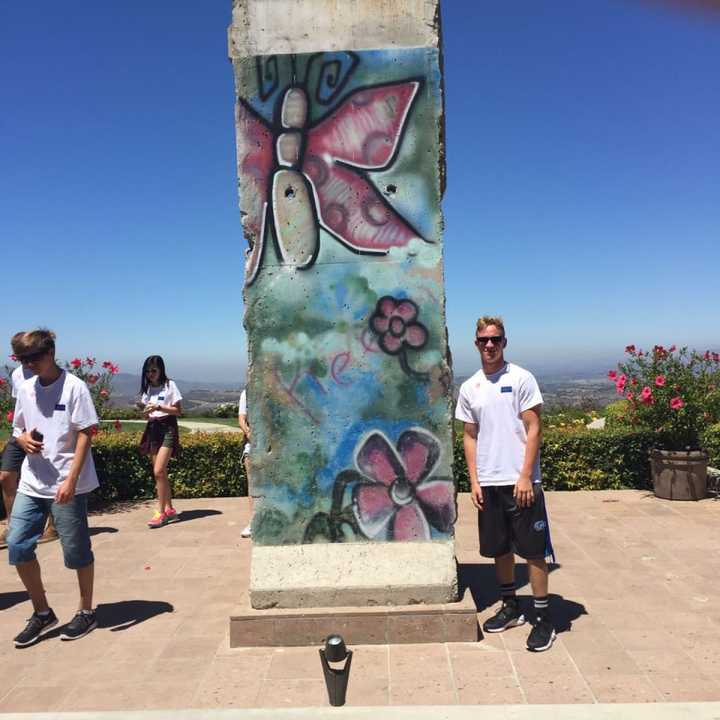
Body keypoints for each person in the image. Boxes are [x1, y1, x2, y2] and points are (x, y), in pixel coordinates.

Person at [455, 316, 556, 652]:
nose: (489, 345)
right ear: (475, 343)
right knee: (499, 550)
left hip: (520, 481)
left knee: (533, 551)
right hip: (489, 481)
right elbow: (469, 436)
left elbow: (534, 428)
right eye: (484, 339)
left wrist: (526, 475)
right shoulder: (470, 387)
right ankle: (511, 607)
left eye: (495, 339)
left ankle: (543, 619)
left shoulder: (522, 378)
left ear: (504, 342)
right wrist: (474, 480)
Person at [7, 329, 99, 646]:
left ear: (50, 353)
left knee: (75, 551)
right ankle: (43, 612)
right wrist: (21, 438)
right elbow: (17, 425)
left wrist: (72, 480)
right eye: (22, 359)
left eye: (33, 358)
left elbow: (86, 432)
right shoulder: (26, 388)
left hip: (65, 481)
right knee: (18, 545)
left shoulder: (74, 388)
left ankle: (86, 611)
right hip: (32, 481)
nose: (28, 365)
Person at [1, 332, 58, 550]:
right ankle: (14, 526)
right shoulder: (17, 375)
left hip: (43, 433)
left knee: (51, 475)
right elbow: (22, 406)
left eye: (28, 356)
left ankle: (53, 525)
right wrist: (20, 433)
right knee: (6, 475)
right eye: (21, 358)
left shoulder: (50, 372)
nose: (27, 362)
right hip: (20, 433)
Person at [138, 356, 182, 529]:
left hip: (168, 428)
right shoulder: (148, 388)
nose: (150, 374)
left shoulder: (170, 385)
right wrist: (145, 411)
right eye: (147, 371)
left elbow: (178, 411)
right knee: (160, 473)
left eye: (153, 370)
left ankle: (161, 512)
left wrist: (159, 407)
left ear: (161, 370)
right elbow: (144, 411)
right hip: (153, 428)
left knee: (158, 471)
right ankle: (170, 509)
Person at [238, 388, 252, 538]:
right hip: (251, 444)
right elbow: (241, 418)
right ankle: (254, 521)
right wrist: (248, 433)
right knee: (252, 483)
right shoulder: (246, 394)